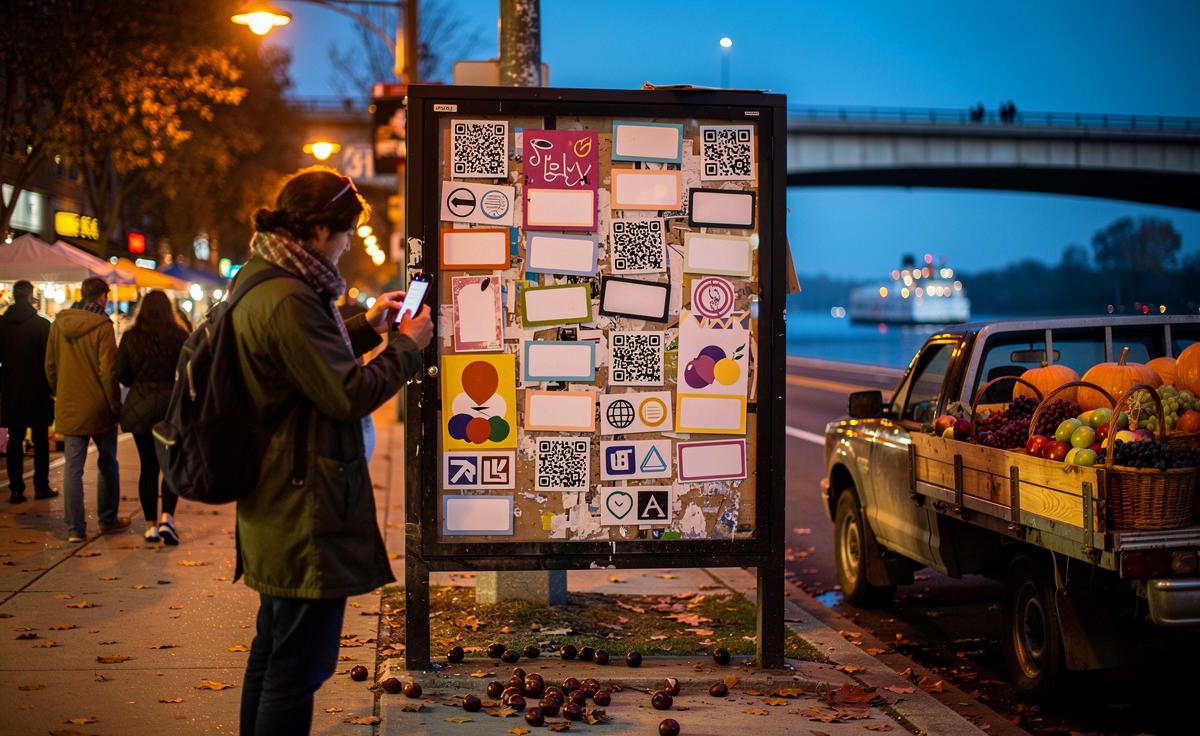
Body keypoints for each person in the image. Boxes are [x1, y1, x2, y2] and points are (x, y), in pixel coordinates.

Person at [233, 167, 432, 735]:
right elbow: (347, 392)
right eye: (345, 233)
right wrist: (406, 346)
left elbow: (308, 361)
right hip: (303, 505)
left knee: (274, 653)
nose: (347, 245)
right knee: (297, 668)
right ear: (321, 228)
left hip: (280, 496)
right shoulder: (290, 296)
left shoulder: (267, 278)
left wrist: (367, 326)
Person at [45, 277, 128, 542]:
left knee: (73, 468)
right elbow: (108, 373)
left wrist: (61, 392)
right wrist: (115, 406)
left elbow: (50, 366)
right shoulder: (103, 326)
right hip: (99, 406)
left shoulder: (58, 324)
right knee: (107, 462)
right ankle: (107, 519)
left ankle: (75, 529)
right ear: (102, 296)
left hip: (70, 405)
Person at [116, 290, 188, 544]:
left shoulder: (131, 337)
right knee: (170, 466)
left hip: (141, 408)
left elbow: (122, 374)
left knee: (148, 467)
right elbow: (188, 370)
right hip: (171, 408)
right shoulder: (180, 336)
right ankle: (167, 518)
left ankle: (150, 526)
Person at [0, 281, 56, 503]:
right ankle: (41, 486)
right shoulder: (42, 325)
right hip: (38, 390)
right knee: (41, 439)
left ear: (14, 296)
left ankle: (16, 489)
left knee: (15, 439)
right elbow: (50, 361)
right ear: (31, 297)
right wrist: (52, 387)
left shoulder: (2, 325)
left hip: (12, 389)